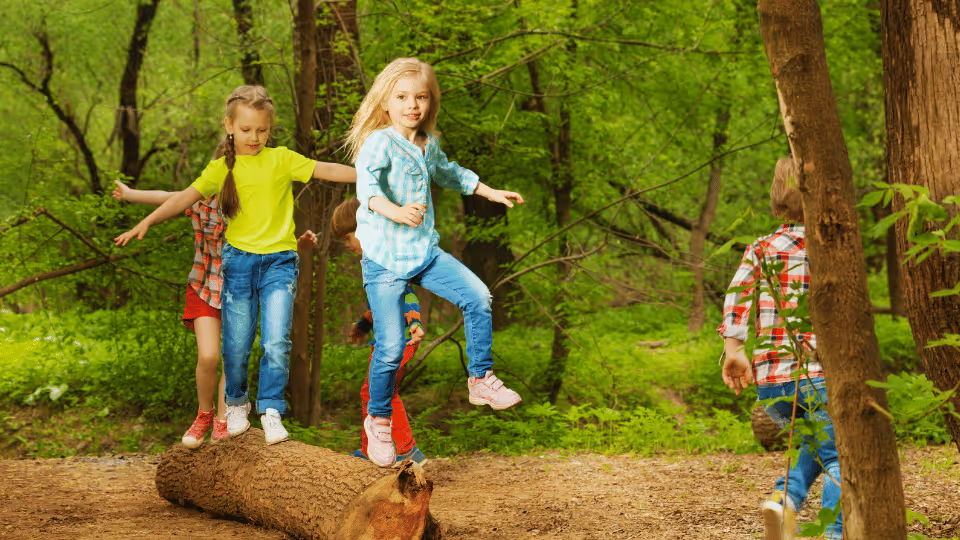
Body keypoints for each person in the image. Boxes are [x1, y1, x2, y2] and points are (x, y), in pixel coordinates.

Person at [115, 85, 356, 446]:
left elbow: (324, 169)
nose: (254, 137)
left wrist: (366, 175)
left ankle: (267, 409)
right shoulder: (216, 175)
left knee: (275, 341)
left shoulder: (280, 159)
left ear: (269, 129)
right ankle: (217, 410)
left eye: (261, 130)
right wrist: (146, 220)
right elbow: (178, 198)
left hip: (275, 261)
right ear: (229, 126)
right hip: (229, 271)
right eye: (246, 130)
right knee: (232, 348)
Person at [342, 57, 524, 467]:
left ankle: (480, 378)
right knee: (389, 348)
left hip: (423, 253)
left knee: (478, 297)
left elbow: (450, 173)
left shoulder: (428, 144)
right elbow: (367, 191)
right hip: (385, 260)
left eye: (420, 97)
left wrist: (488, 190)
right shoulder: (379, 142)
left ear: (430, 102)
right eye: (403, 97)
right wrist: (397, 211)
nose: (412, 105)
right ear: (386, 103)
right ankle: (379, 420)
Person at [718, 157, 842, 540]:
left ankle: (783, 502)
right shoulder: (831, 247)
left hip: (772, 382)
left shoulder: (760, 247)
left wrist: (734, 350)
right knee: (839, 457)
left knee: (810, 445)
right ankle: (835, 533)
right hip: (817, 374)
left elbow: (736, 298)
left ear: (777, 200)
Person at [331, 197, 428, 465]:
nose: (348, 244)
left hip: (399, 340)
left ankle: (404, 450)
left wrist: (414, 322)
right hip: (390, 339)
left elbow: (406, 295)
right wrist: (363, 325)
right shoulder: (374, 263)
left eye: (350, 237)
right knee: (377, 393)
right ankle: (380, 450)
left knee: (376, 393)